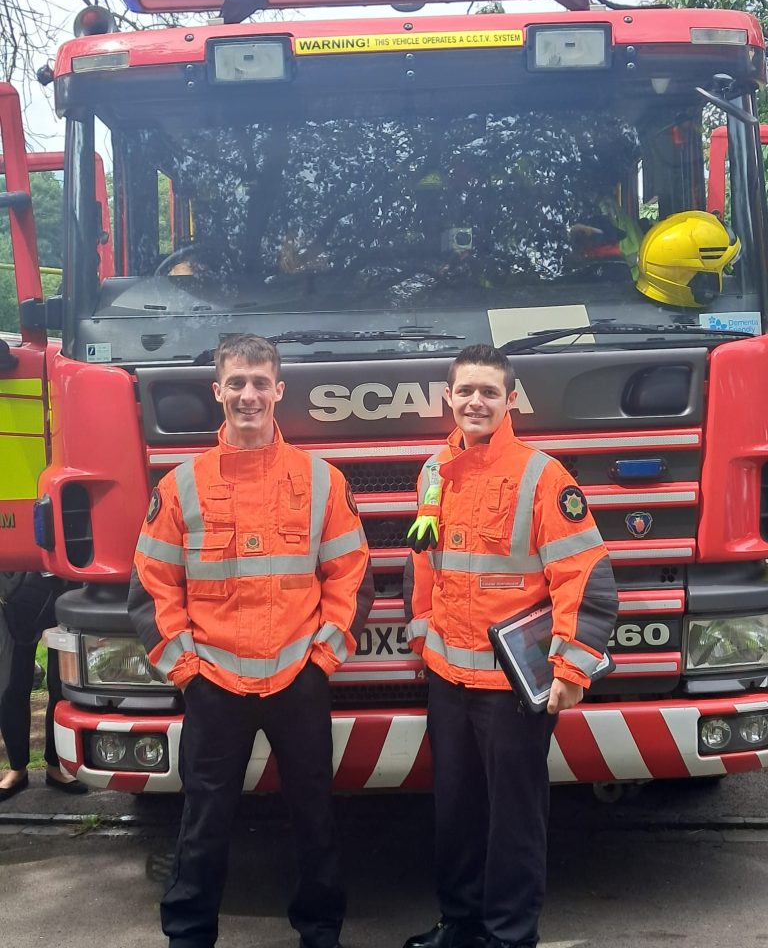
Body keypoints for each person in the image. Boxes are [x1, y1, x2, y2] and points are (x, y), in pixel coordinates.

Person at [127, 333, 374, 948]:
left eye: (260, 382)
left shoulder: (320, 480)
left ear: (279, 391)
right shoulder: (181, 485)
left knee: (315, 816)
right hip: (213, 682)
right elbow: (152, 586)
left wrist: (322, 659)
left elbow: (352, 576)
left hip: (299, 678)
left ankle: (320, 932)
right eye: (236, 382)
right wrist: (186, 671)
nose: (248, 394)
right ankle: (188, 935)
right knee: (203, 822)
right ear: (218, 391)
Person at [402, 344, 619, 948]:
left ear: (509, 400)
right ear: (449, 397)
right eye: (466, 391)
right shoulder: (431, 471)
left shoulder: (543, 477)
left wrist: (572, 667)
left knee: (515, 821)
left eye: (489, 392)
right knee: (456, 813)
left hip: (512, 688)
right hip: (448, 679)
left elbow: (585, 573)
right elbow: (423, 563)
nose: (476, 402)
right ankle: (461, 924)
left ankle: (509, 935)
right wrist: (423, 637)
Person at [0, 571, 88, 800]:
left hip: (65, 583)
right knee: (12, 685)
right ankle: (17, 769)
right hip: (13, 590)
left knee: (62, 687)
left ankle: (55, 766)